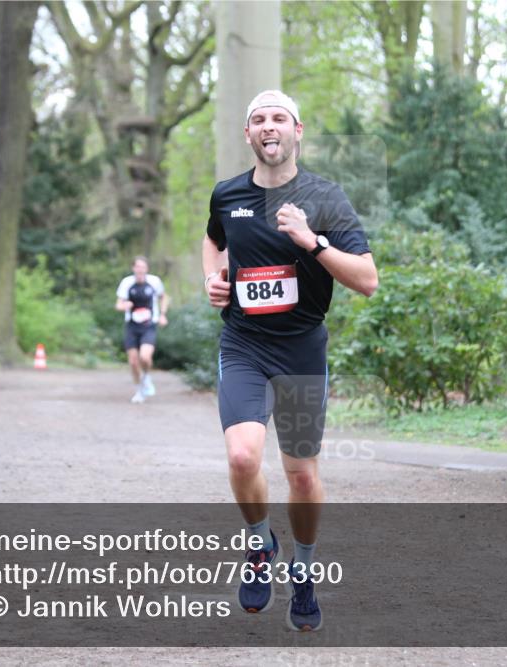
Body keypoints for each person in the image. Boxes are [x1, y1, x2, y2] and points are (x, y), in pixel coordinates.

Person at [202, 90, 378, 631]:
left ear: (297, 130)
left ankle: (302, 570)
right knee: (242, 458)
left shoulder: (325, 198)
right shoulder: (227, 194)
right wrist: (212, 279)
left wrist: (312, 241)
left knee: (301, 477)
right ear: (248, 134)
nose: (268, 126)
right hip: (245, 345)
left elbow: (368, 280)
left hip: (301, 349)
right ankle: (260, 546)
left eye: (279, 118)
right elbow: (213, 241)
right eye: (258, 119)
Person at [116, 256, 168, 404]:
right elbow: (118, 304)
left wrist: (162, 315)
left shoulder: (154, 282)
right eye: (137, 267)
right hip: (132, 326)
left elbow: (164, 297)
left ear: (147, 268)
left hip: (149, 325)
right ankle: (139, 390)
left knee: (145, 357)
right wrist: (124, 306)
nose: (140, 270)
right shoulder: (127, 283)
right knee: (133, 362)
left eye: (143, 267)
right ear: (133, 268)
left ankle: (146, 376)